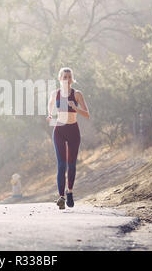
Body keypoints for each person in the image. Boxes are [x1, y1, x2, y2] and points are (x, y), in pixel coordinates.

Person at [47, 67, 90, 210]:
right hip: (59, 130)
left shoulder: (77, 94)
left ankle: (69, 191)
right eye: (64, 77)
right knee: (61, 164)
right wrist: (49, 114)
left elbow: (87, 114)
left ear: (72, 79)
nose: (67, 79)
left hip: (73, 130)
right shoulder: (55, 93)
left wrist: (75, 107)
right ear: (60, 78)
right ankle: (61, 197)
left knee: (71, 164)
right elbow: (50, 105)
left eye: (69, 77)